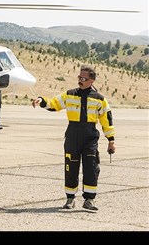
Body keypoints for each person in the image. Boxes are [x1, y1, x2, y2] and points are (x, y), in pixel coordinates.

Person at [32, 65, 115, 211]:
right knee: (70, 166)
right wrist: (41, 100)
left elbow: (106, 120)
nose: (80, 81)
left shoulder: (100, 99)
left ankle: (89, 200)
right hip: (72, 134)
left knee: (91, 167)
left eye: (84, 78)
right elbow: (54, 104)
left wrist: (111, 140)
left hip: (90, 136)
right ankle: (70, 199)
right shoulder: (70, 94)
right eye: (79, 77)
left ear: (92, 80)